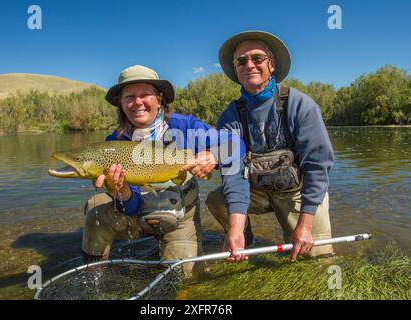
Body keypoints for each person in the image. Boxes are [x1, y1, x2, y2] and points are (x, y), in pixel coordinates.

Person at [82, 65, 234, 276]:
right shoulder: (114, 143)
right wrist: (121, 191)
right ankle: (94, 275)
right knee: (95, 211)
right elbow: (131, 206)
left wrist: (214, 156)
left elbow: (235, 145)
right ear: (121, 103)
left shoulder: (184, 126)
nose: (137, 102)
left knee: (184, 277)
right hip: (136, 216)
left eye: (145, 94)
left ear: (160, 99)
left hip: (179, 219)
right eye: (129, 97)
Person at [206, 30, 335, 262]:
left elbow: (318, 168)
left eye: (257, 58)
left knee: (317, 260)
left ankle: (298, 227)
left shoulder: (300, 105)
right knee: (216, 200)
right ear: (236, 68)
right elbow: (233, 173)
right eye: (241, 61)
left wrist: (305, 225)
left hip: (297, 192)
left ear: (271, 64)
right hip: (258, 191)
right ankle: (243, 239)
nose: (249, 65)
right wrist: (235, 229)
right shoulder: (230, 116)